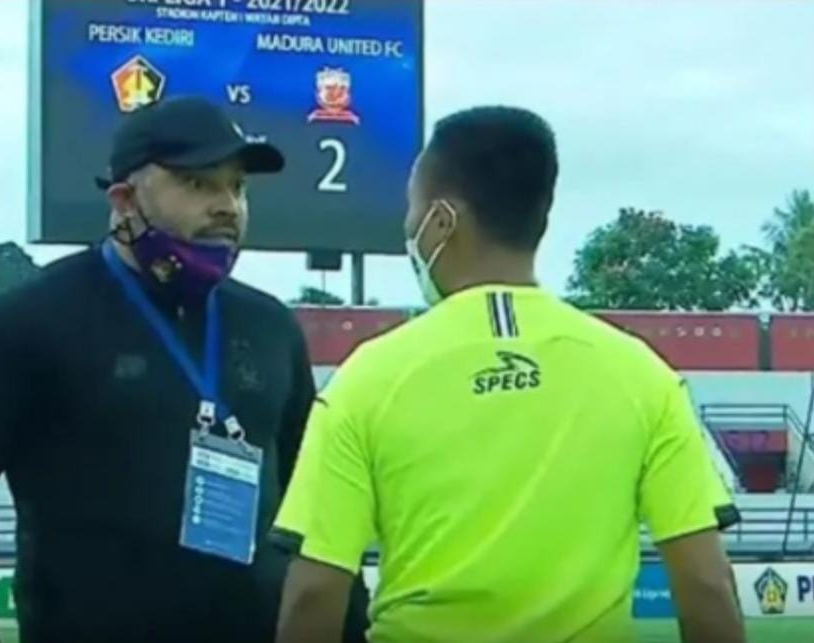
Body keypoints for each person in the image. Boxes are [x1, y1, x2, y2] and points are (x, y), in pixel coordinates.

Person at [271, 106, 746, 643]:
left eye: (412, 209)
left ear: (442, 221)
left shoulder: (368, 378)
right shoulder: (642, 375)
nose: (409, 229)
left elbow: (315, 593)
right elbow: (706, 585)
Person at [0, 96, 369, 643]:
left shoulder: (270, 328)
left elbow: (312, 509)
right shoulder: (28, 322)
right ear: (124, 200)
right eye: (198, 184)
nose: (227, 206)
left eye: (237, 187)